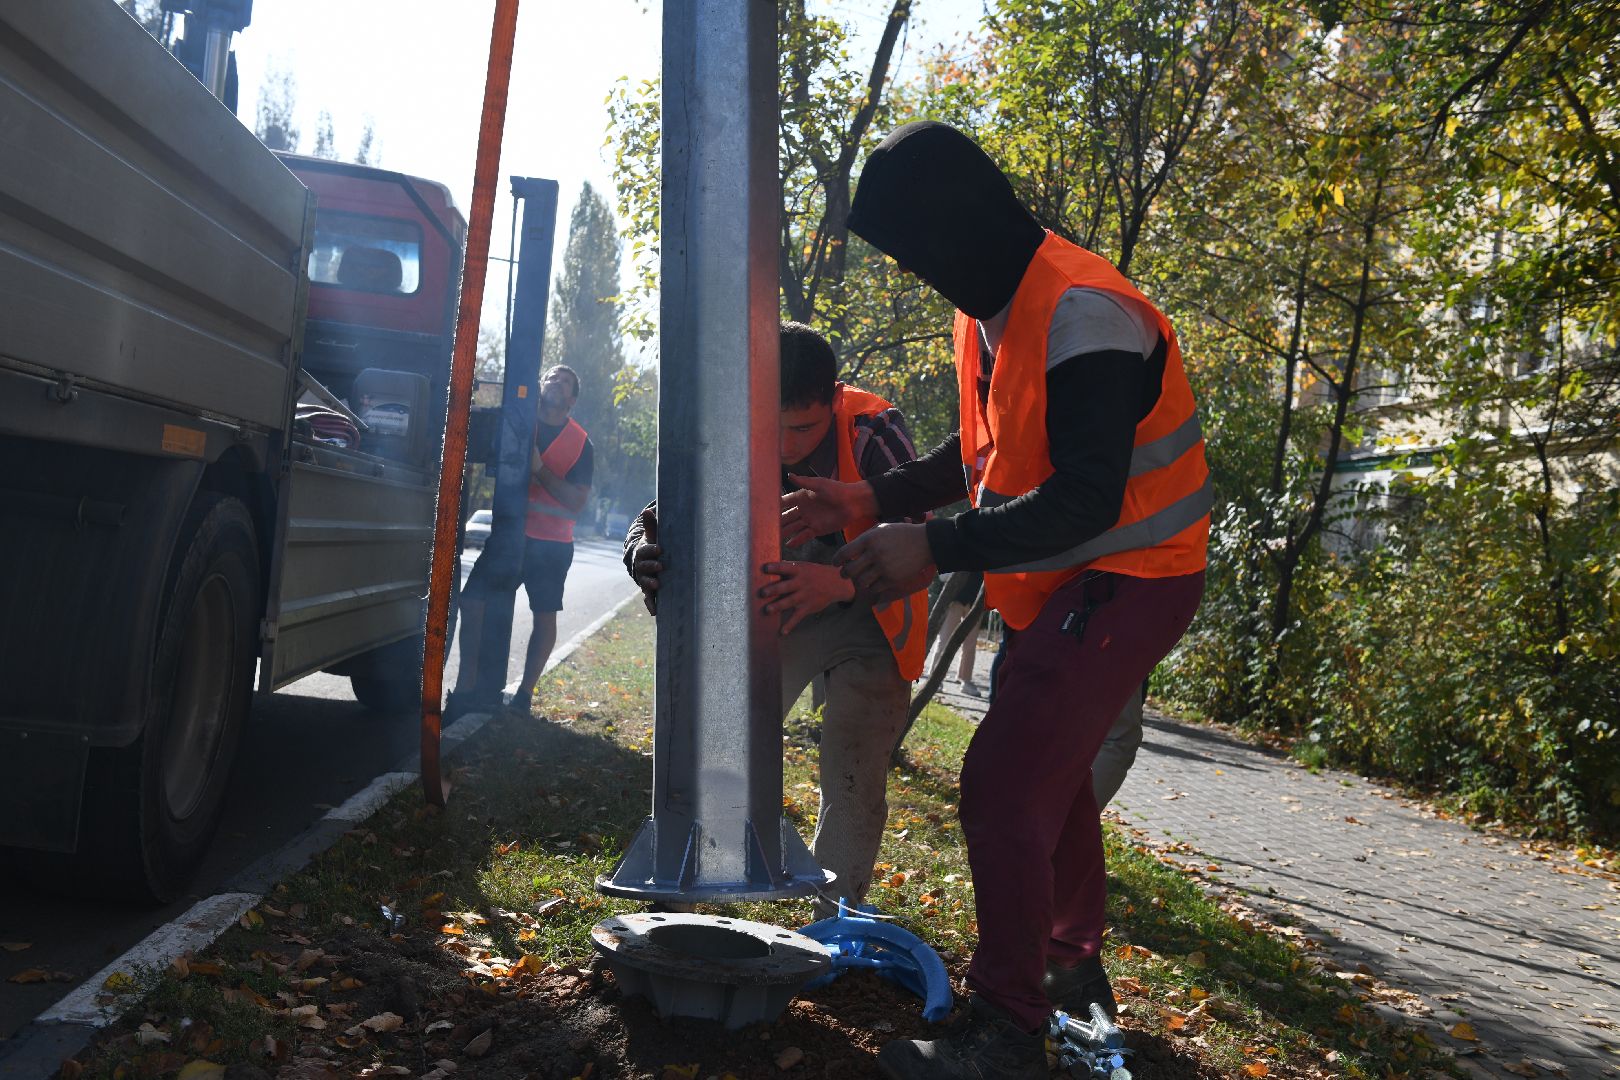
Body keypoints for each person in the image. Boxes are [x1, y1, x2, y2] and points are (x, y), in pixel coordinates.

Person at [780, 122, 1209, 1079]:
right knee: (1043, 773)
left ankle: (1008, 1028)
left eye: (918, 252)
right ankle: (1068, 965)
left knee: (1005, 781)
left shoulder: (1086, 310)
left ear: (957, 227)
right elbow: (978, 452)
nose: (921, 274)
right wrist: (873, 498)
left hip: (1132, 575)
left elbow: (1090, 494)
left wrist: (931, 544)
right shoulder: (992, 307)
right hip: (1060, 579)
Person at [625, 322, 927, 914]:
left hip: (873, 618)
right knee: (722, 747)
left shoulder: (874, 431)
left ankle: (834, 923)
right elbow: (656, 516)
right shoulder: (734, 425)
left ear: (834, 397)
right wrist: (641, 552)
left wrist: (837, 581)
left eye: (805, 428)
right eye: (775, 425)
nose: (787, 445)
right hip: (779, 611)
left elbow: (921, 548)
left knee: (855, 777)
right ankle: (687, 902)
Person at [457, 365, 593, 714]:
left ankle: (524, 695)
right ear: (540, 385)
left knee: (544, 616)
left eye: (566, 383)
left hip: (552, 545)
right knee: (472, 602)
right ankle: (465, 687)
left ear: (572, 400)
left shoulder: (580, 442)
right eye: (552, 378)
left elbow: (577, 501)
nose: (557, 384)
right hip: (510, 535)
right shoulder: (519, 422)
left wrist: (540, 470)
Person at [928, 571, 985, 696]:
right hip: (955, 599)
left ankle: (966, 680)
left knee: (970, 644)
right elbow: (944, 576)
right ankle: (934, 678)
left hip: (976, 600)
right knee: (944, 639)